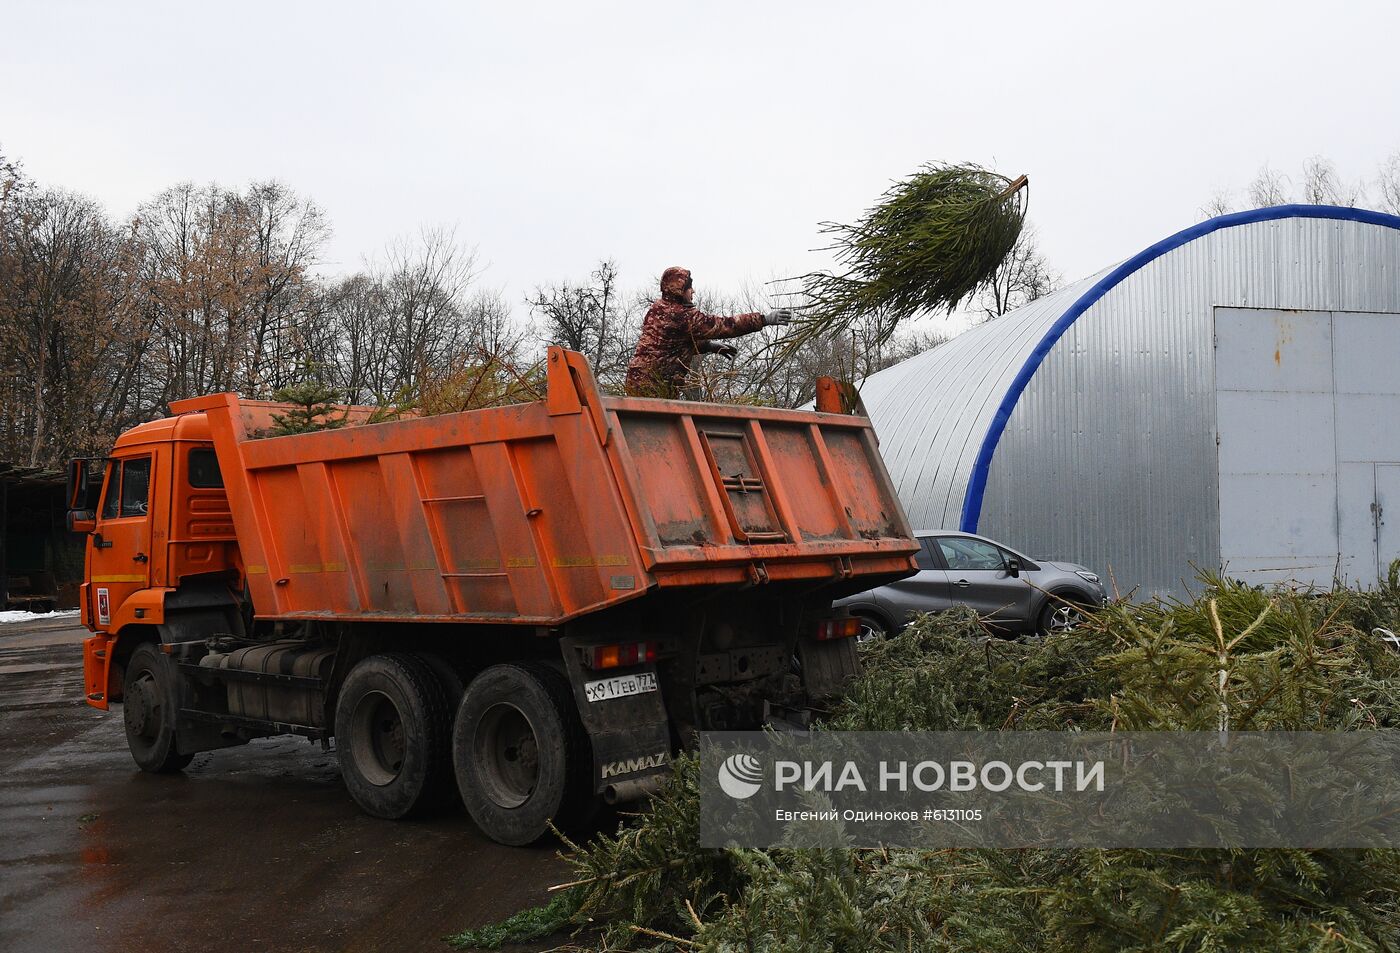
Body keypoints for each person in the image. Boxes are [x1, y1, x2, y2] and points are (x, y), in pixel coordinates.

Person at [623, 266, 793, 399]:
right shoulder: (682, 315)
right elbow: (723, 325)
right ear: (679, 290)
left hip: (638, 380)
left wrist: (708, 346)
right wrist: (764, 319)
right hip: (655, 386)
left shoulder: (657, 308)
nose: (693, 291)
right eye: (689, 288)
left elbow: (670, 344)